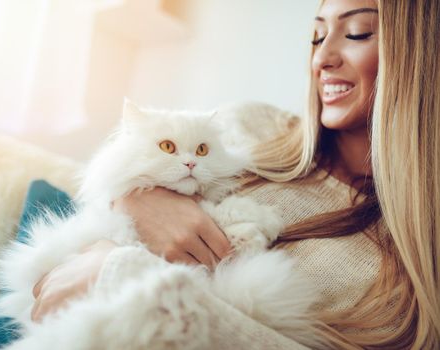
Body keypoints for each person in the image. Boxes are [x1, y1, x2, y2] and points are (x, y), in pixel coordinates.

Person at [30, 0, 440, 348]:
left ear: (420, 52)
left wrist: (115, 271)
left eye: (357, 33)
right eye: (317, 37)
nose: (323, 57)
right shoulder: (251, 125)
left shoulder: (413, 261)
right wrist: (133, 200)